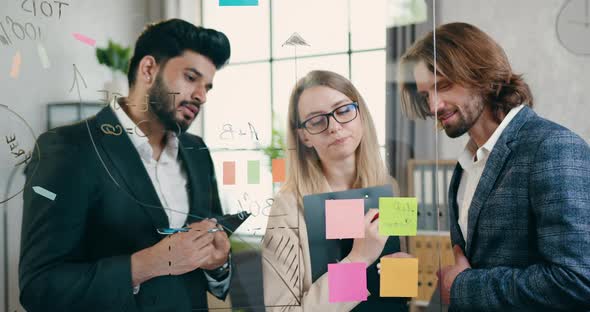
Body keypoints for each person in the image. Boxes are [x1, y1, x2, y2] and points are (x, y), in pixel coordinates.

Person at [19, 19, 233, 311]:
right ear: (148, 69)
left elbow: (208, 247)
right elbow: (39, 288)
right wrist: (146, 264)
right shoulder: (68, 148)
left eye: (207, 86)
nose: (201, 95)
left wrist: (218, 264)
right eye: (190, 77)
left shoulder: (197, 150)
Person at [398, 22, 590, 311]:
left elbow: (576, 282)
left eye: (444, 85)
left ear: (482, 75)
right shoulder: (465, 166)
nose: (434, 105)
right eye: (426, 94)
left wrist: (463, 287)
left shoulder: (552, 146)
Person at [262, 70, 409, 312]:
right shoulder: (288, 206)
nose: (334, 126)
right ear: (304, 136)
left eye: (343, 110)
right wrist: (358, 259)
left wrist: (403, 274)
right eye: (317, 120)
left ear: (360, 113)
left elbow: (397, 291)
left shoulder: (389, 186)